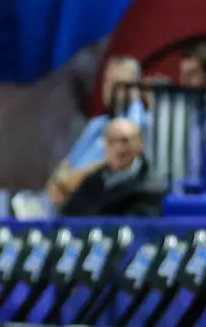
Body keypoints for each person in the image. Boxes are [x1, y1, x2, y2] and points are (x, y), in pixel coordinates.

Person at [46, 55, 150, 210]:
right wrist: (58, 182)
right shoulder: (96, 125)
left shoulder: (140, 123)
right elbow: (68, 162)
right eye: (107, 82)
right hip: (65, 199)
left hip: (100, 202)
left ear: (134, 88)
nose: (110, 89)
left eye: (118, 83)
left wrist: (70, 183)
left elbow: (111, 163)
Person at [60, 117, 167, 218]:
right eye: (111, 141)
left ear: (139, 143)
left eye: (125, 141)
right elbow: (69, 215)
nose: (118, 148)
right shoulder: (92, 180)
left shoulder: (151, 188)